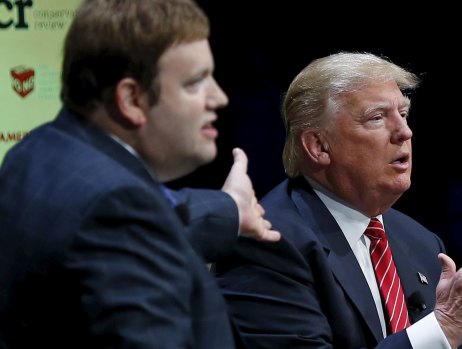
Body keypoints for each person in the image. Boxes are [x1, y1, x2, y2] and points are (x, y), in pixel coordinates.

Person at [214, 52, 462, 349]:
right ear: (319, 146)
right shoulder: (268, 241)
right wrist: (446, 326)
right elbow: (437, 337)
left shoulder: (418, 242)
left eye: (403, 114)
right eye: (377, 118)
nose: (405, 132)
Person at [0, 0, 279, 348]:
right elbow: (125, 218)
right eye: (195, 82)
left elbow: (142, 217)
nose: (219, 97)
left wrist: (230, 208)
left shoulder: (37, 151)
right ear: (131, 99)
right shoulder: (116, 208)